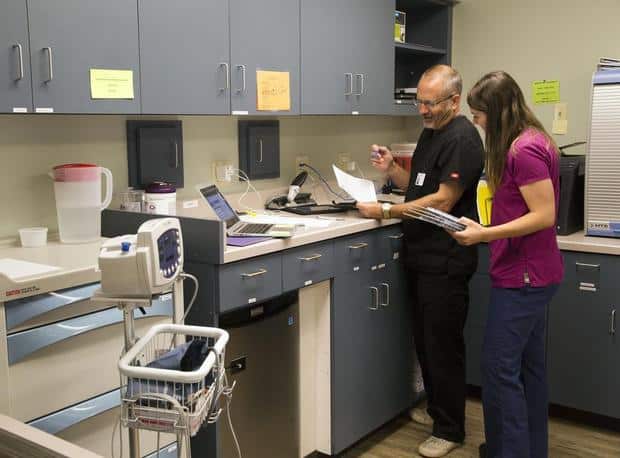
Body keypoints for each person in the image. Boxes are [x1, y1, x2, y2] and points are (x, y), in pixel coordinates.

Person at [357, 64, 484, 457]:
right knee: (426, 343)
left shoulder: (462, 138)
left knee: (442, 345)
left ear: (454, 101)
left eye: (431, 103)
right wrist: (391, 169)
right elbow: (417, 187)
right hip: (422, 256)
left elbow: (443, 201)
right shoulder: (431, 132)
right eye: (420, 102)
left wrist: (386, 211)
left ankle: (450, 429)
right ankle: (438, 412)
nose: (424, 110)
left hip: (446, 260)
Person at [450, 71, 564, 458]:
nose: (476, 121)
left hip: (524, 277)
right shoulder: (531, 139)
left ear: (497, 112)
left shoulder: (522, 150)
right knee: (528, 369)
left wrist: (485, 234)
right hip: (533, 274)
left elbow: (544, 215)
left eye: (479, 114)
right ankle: (524, 449)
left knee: (499, 369)